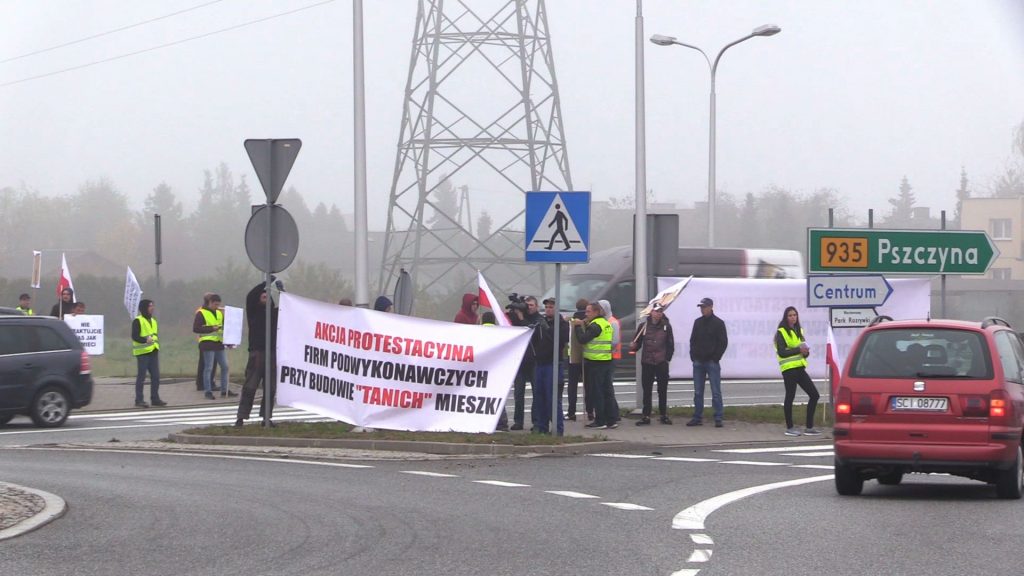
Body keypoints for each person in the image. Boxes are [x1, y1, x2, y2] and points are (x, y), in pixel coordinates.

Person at [235, 279, 283, 427]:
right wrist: (266, 283)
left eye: (268, 296)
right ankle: (241, 417)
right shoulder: (254, 312)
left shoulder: (275, 314)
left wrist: (282, 292)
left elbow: (289, 307)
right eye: (263, 296)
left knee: (270, 388)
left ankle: (266, 418)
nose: (265, 297)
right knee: (250, 386)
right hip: (257, 353)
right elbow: (251, 296)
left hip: (272, 354)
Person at [776, 306, 822, 437]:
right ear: (786, 317)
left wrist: (806, 353)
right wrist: (798, 350)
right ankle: (789, 427)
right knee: (790, 397)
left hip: (800, 368)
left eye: (795, 315)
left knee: (814, 395)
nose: (793, 317)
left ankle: (809, 427)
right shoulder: (781, 332)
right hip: (789, 369)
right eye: (790, 315)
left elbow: (803, 349)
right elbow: (782, 352)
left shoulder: (799, 330)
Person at [575, 302, 618, 430]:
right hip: (606, 361)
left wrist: (578, 327)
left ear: (596, 312)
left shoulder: (595, 326)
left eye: (588, 311)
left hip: (595, 363)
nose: (586, 314)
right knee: (607, 392)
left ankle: (600, 420)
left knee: (597, 392)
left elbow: (583, 339)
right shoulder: (606, 324)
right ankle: (611, 419)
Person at [687, 297, 728, 428]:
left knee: (716, 391)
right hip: (698, 361)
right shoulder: (697, 322)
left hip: (711, 362)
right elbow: (692, 340)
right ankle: (697, 417)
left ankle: (718, 417)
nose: (702, 310)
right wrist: (693, 356)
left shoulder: (718, 323)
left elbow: (723, 342)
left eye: (704, 307)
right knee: (698, 391)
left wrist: (716, 358)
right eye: (701, 307)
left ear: (711, 307)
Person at [631, 303, 675, 425]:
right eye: (656, 311)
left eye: (660, 311)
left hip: (661, 362)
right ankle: (646, 415)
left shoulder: (666, 326)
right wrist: (634, 347)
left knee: (662, 389)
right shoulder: (643, 326)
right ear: (651, 312)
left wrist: (667, 359)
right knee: (647, 389)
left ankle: (663, 414)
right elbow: (637, 343)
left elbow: (670, 344)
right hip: (647, 362)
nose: (658, 313)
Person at [531, 297, 569, 435]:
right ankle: (542, 427)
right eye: (546, 307)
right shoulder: (541, 322)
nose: (548, 309)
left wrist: (547, 329)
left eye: (551, 307)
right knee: (539, 396)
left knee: (552, 398)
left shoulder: (562, 324)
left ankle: (558, 430)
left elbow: (561, 339)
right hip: (540, 363)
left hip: (553, 364)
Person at [508, 295, 541, 430]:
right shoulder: (518, 318)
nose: (528, 308)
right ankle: (518, 421)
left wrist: (522, 318)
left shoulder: (539, 319)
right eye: (526, 305)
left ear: (536, 306)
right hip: (520, 360)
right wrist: (514, 311)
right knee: (518, 393)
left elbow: (531, 331)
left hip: (534, 360)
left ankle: (536, 421)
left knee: (536, 392)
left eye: (531, 305)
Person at [194, 293, 230, 400]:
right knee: (208, 368)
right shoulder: (201, 313)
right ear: (210, 303)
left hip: (219, 343)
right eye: (215, 304)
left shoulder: (219, 313)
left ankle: (224, 390)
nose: (217, 307)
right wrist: (211, 329)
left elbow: (223, 327)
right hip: (207, 343)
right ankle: (208, 391)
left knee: (225, 366)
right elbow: (196, 328)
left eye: (218, 304)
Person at [131, 299, 166, 408]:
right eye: (150, 306)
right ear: (144, 308)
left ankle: (155, 398)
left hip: (153, 350)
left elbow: (154, 335)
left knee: (156, 376)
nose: (152, 308)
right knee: (141, 377)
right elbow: (135, 336)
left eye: (153, 305)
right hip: (142, 352)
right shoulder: (138, 320)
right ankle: (139, 400)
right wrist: (145, 340)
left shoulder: (154, 321)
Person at [565, 298, 588, 421]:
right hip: (586, 357)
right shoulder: (588, 321)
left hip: (572, 357)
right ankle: (590, 412)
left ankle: (571, 412)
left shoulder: (571, 321)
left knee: (572, 385)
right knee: (588, 386)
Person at [194, 293, 216, 391]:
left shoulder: (214, 310)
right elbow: (197, 327)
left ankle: (208, 382)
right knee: (205, 364)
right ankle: (201, 384)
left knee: (209, 364)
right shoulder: (201, 311)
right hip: (205, 340)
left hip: (214, 341)